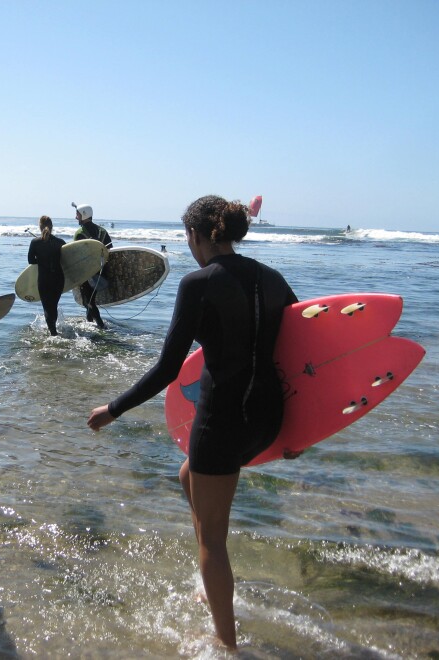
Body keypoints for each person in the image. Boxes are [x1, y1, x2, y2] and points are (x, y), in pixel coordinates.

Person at [87, 195, 298, 650]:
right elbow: (303, 352)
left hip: (222, 422)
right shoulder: (274, 278)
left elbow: (167, 369)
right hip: (266, 418)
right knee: (189, 478)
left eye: (188, 238)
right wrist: (296, 433)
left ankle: (226, 642)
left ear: (198, 236)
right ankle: (214, 583)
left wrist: (113, 409)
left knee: (213, 543)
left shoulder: (197, 283)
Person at [72, 202, 111, 329]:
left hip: (87, 274)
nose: (76, 217)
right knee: (91, 300)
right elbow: (110, 251)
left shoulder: (79, 233)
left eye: (77, 214)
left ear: (84, 215)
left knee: (88, 301)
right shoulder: (103, 231)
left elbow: (76, 256)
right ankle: (88, 322)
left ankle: (101, 325)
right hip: (103, 272)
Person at [27, 215, 66, 336]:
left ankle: (53, 334)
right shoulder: (60, 242)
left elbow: (30, 261)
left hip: (44, 280)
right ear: (52, 227)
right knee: (53, 306)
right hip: (59, 279)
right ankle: (54, 331)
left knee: (47, 308)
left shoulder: (35, 242)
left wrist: (41, 259)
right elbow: (68, 260)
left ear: (40, 227)